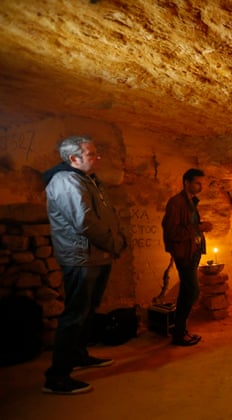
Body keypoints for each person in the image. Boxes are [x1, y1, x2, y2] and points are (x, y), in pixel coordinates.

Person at [42, 135, 127, 394]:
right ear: (73, 159)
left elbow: (105, 215)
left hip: (96, 256)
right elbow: (85, 222)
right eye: (91, 154)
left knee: (89, 310)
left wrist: (116, 239)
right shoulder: (65, 181)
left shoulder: (88, 179)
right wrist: (114, 243)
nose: (97, 157)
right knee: (75, 314)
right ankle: (57, 376)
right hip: (80, 258)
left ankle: (78, 355)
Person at [162, 168, 213, 346]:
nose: (201, 186)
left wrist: (200, 225)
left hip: (193, 250)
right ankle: (178, 333)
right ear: (187, 183)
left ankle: (180, 330)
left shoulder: (191, 202)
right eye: (197, 183)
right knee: (192, 291)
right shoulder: (176, 203)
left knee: (187, 290)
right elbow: (172, 232)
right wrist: (198, 228)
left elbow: (187, 226)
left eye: (201, 183)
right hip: (184, 253)